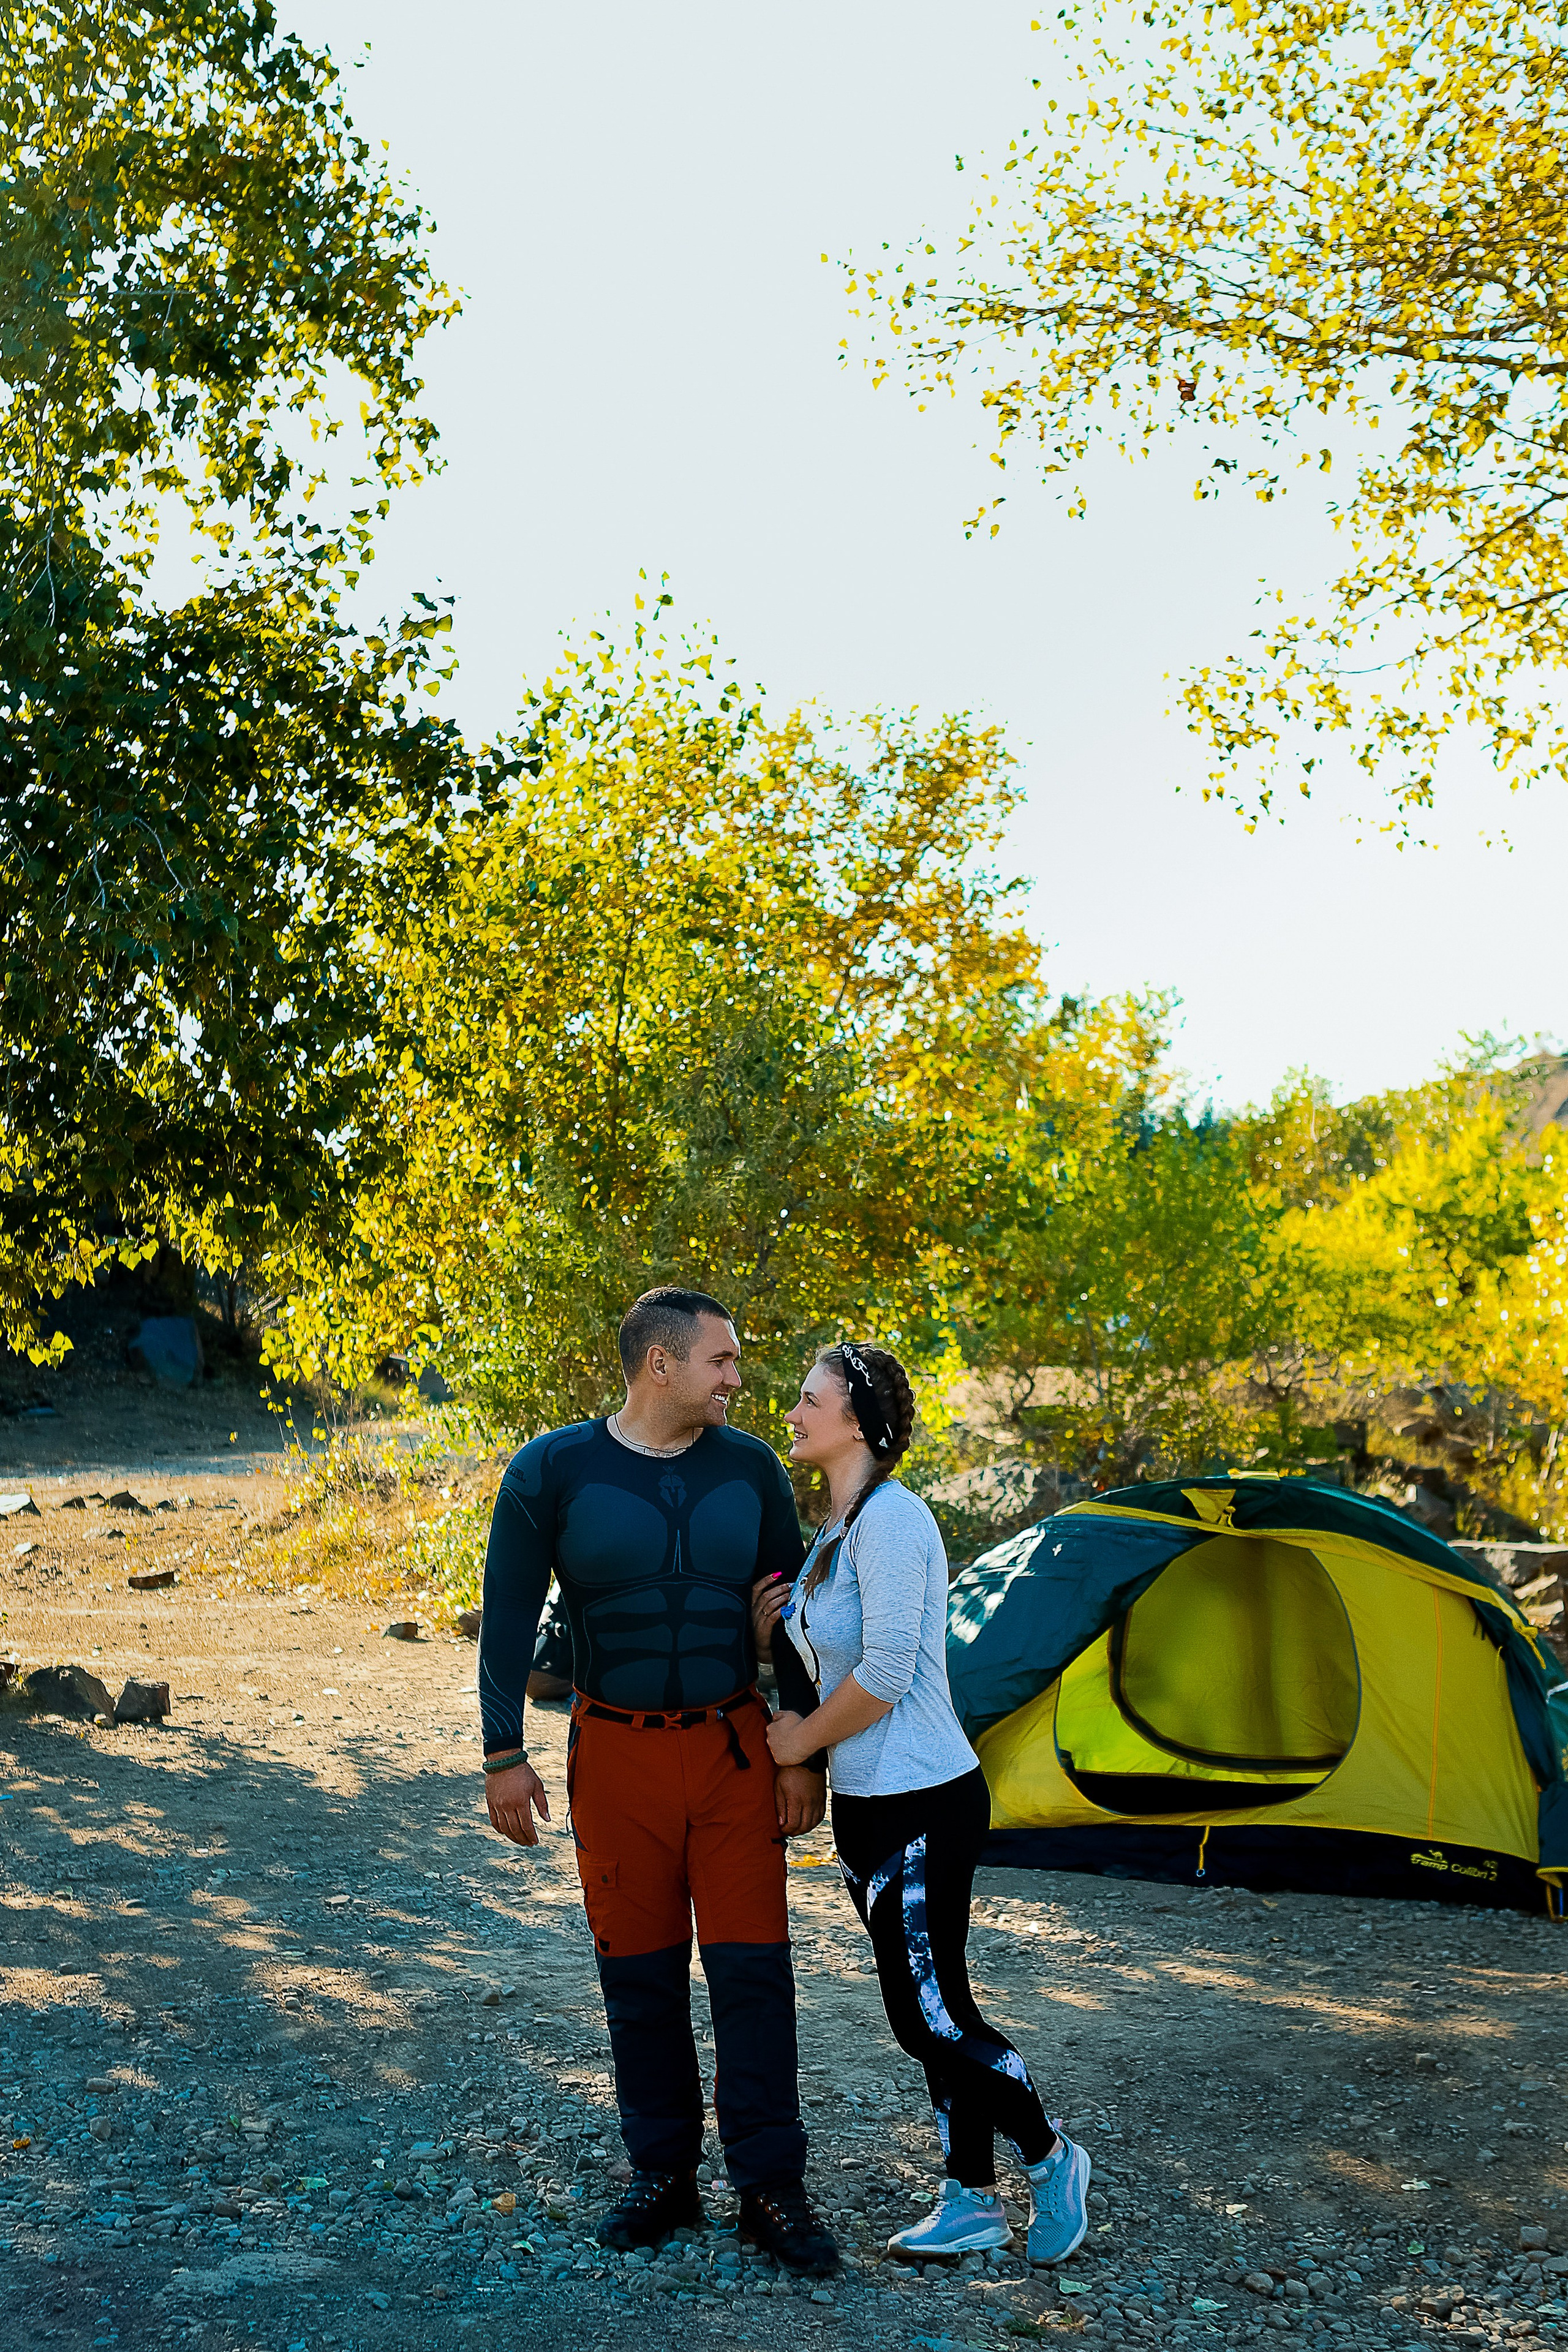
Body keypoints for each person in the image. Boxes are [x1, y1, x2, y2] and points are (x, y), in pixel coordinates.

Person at [477, 1286, 838, 2274]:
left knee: (753, 1974)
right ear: (660, 1364)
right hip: (616, 1755)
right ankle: (663, 2176)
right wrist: (501, 1754)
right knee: (637, 1976)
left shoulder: (753, 1468)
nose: (738, 1377)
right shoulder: (552, 1470)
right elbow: (506, 1615)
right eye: (722, 1360)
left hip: (730, 1753)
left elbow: (790, 1609)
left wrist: (802, 1753)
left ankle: (771, 2188)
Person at [755, 1341, 1091, 2264]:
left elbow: (891, 1672)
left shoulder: (896, 1522)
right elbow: (822, 1661)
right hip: (870, 1806)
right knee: (937, 1999)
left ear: (855, 1420)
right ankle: (971, 2200)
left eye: (808, 1399)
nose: (791, 1412)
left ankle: (1052, 2154)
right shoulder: (835, 1533)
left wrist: (799, 1743)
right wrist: (776, 1634)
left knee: (926, 2017)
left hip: (924, 1799)